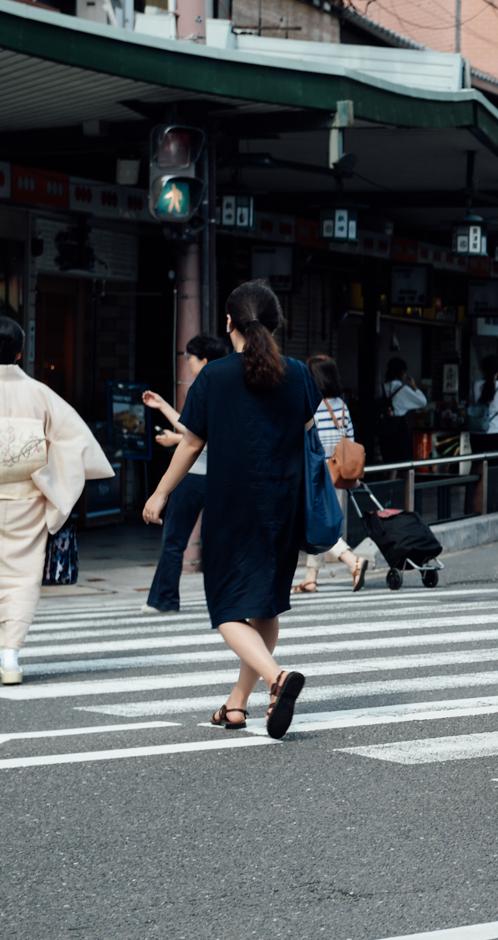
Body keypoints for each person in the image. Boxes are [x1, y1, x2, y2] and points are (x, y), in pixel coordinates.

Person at [142, 282, 317, 738]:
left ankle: (277, 679)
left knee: (226, 608)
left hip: (233, 504)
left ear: (228, 323)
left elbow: (192, 443)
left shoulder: (215, 376)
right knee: (265, 605)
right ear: (276, 323)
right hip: (283, 504)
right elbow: (305, 424)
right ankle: (236, 704)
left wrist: (160, 493)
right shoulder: (298, 373)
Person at [0, 317, 114, 685]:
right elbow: (76, 441)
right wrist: (51, 478)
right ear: (20, 352)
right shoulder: (39, 393)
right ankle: (10, 657)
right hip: (26, 499)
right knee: (22, 578)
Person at [140, 333, 231, 614]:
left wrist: (176, 441)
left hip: (193, 476)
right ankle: (225, 599)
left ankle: (164, 599)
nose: (189, 363)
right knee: (221, 541)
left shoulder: (202, 386)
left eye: (190, 358)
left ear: (203, 360)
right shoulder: (229, 385)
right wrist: (163, 405)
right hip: (220, 477)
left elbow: (194, 436)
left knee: (174, 540)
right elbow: (203, 431)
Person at [297, 355, 371, 594]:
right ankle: (311, 577)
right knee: (321, 522)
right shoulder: (341, 405)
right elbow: (350, 439)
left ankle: (352, 561)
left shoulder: (310, 402)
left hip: (317, 473)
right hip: (338, 473)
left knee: (319, 524)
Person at [379, 358, 428, 463]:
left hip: (384, 427)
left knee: (389, 463)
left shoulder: (381, 388)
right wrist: (413, 386)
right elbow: (423, 402)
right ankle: (405, 480)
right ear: (402, 372)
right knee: (403, 463)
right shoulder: (403, 389)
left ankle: (390, 479)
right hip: (399, 428)